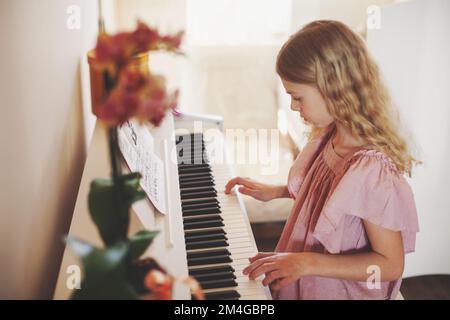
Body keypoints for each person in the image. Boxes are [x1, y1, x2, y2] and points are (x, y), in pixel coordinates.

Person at [224, 20, 420, 300]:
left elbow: (390, 264)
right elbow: (330, 199)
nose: (293, 106)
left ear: (334, 88)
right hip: (309, 275)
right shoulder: (330, 135)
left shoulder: (373, 172)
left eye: (297, 97)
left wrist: (306, 262)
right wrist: (277, 191)